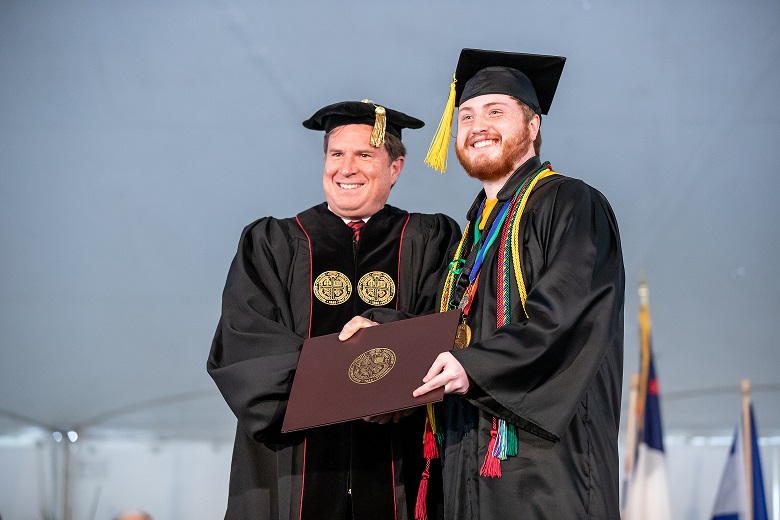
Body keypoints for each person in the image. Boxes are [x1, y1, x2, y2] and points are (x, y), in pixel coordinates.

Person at [340, 49, 625, 519]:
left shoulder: (571, 204)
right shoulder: (474, 230)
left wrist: (473, 366)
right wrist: (383, 332)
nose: (477, 126)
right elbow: (453, 328)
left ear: (532, 125)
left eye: (496, 112)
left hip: (545, 470)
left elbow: (567, 320)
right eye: (466, 115)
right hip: (467, 461)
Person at [208, 99, 460, 520]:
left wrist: (386, 340)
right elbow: (246, 341)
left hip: (400, 459)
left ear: (395, 168)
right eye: (336, 154)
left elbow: (448, 326)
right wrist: (357, 384)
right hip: (294, 465)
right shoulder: (272, 243)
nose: (347, 168)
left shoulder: (430, 240)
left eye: (364, 154)